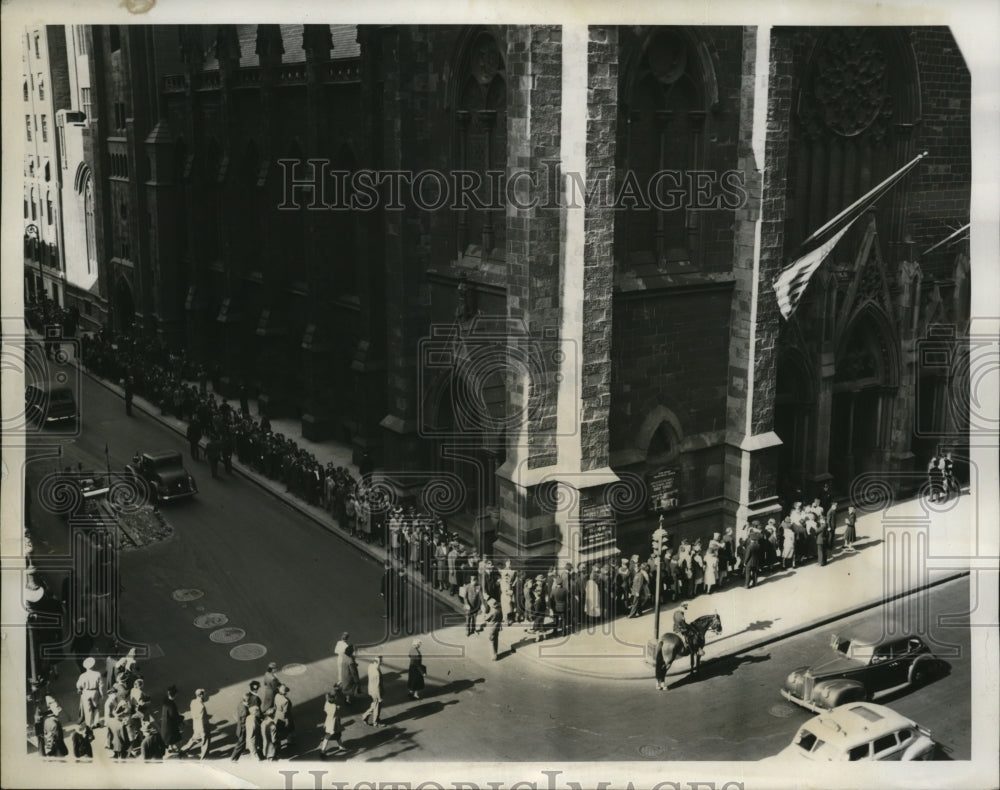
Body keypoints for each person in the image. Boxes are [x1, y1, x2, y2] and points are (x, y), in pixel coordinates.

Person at [180, 688, 211, 759]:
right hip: (202, 726)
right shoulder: (201, 706)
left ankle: (183, 750)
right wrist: (203, 731)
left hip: (195, 725)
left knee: (194, 739)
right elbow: (201, 719)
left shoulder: (193, 702)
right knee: (205, 741)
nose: (205, 695)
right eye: (204, 694)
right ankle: (204, 757)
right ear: (201, 695)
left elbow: (193, 714)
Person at [76, 656, 104, 728]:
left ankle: (89, 724)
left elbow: (78, 685)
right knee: (96, 707)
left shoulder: (83, 675)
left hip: (85, 693)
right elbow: (100, 685)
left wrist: (80, 689)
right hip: (95, 692)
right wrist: (102, 694)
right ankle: (96, 722)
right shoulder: (97, 674)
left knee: (87, 709)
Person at [334, 633, 361, 703]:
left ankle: (339, 684)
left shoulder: (338, 642)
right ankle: (347, 698)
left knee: (341, 673)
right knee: (347, 679)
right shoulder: (346, 647)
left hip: (339, 659)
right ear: (347, 638)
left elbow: (335, 651)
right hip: (344, 661)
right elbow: (353, 670)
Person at [319, 689, 345, 756]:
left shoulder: (327, 703)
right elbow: (334, 713)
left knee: (338, 734)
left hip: (329, 721)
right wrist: (337, 708)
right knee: (327, 736)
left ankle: (341, 746)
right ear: (333, 698)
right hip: (333, 723)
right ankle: (323, 750)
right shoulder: (334, 706)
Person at [362, 657, 385, 727]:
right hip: (376, 692)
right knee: (377, 707)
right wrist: (379, 696)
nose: (381, 663)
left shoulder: (371, 666)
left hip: (371, 689)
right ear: (377, 662)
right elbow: (377, 686)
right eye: (380, 662)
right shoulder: (376, 673)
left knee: (374, 705)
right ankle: (376, 722)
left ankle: (365, 716)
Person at [160, 685, 183, 755]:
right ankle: (179, 752)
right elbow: (174, 716)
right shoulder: (172, 704)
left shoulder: (166, 701)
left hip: (165, 724)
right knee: (178, 739)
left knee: (169, 740)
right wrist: (181, 719)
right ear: (175, 695)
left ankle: (171, 749)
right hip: (171, 726)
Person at [273, 685, 294, 752]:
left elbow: (275, 706)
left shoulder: (276, 696)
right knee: (290, 728)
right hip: (284, 717)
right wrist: (287, 719)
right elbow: (285, 712)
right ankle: (289, 741)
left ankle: (277, 745)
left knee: (278, 731)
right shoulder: (286, 701)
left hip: (277, 715)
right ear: (285, 693)